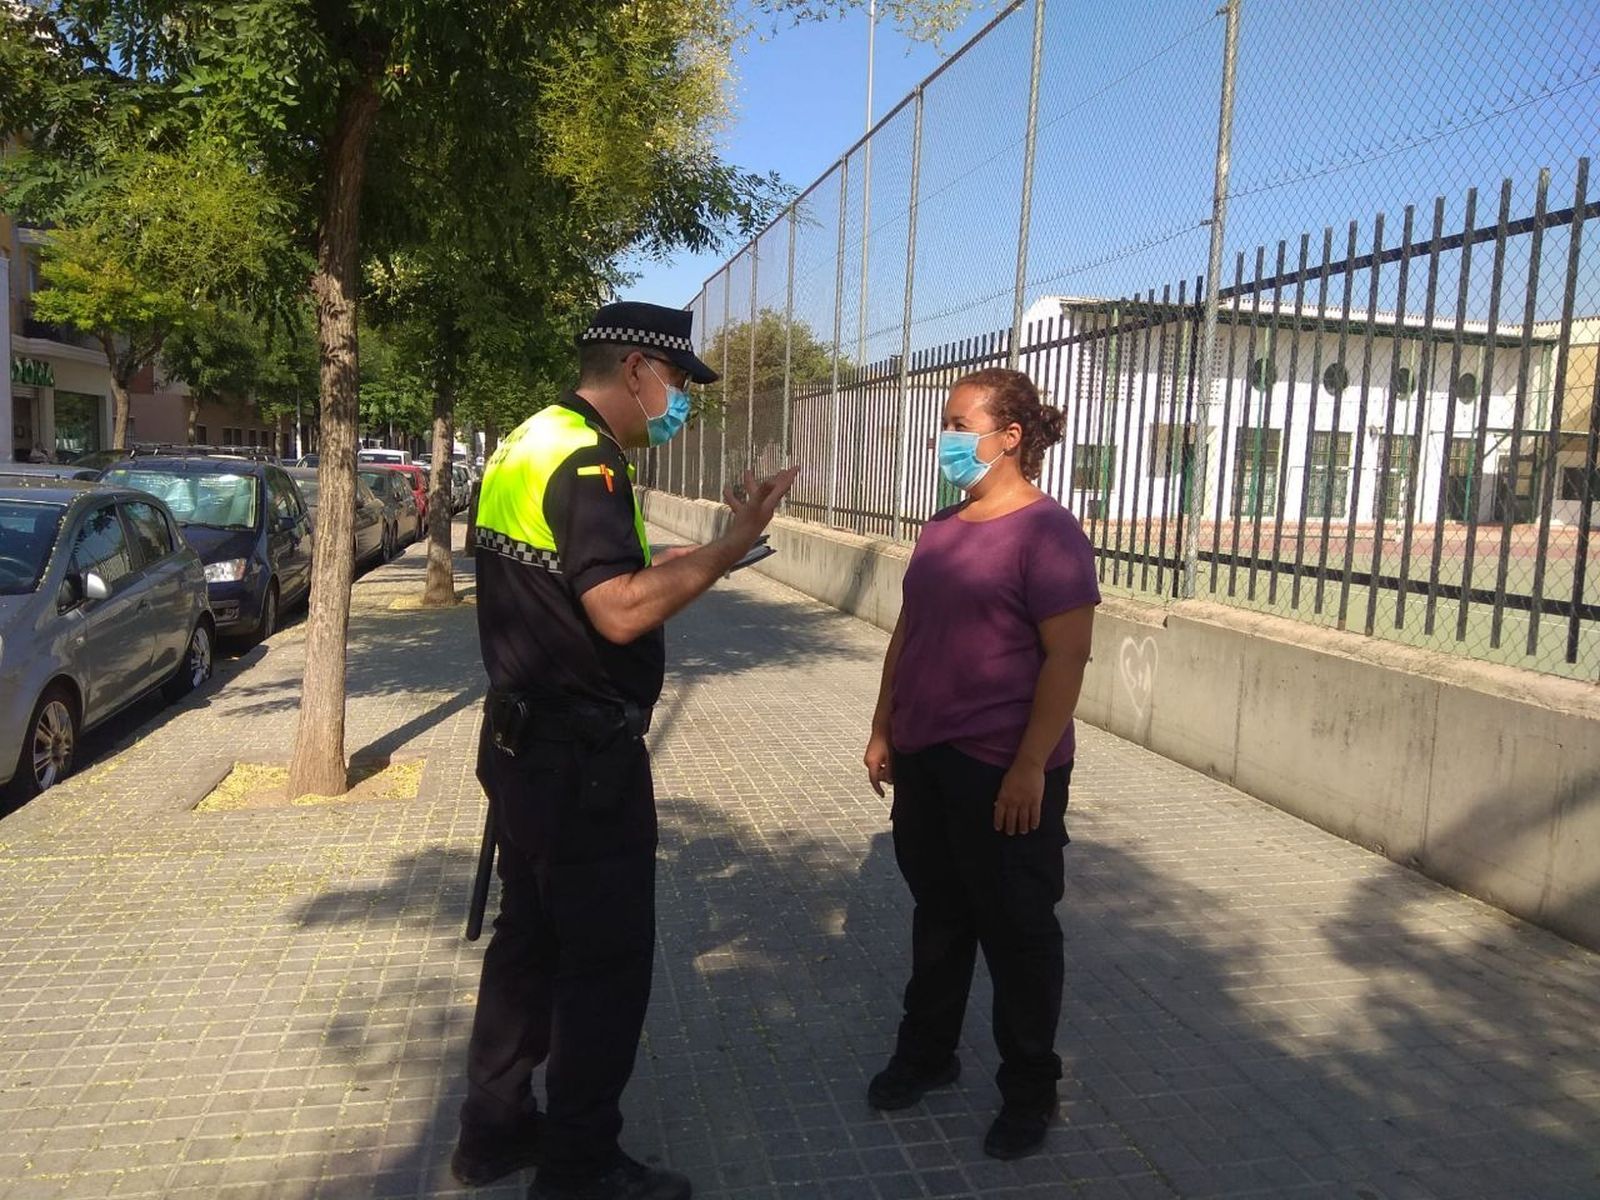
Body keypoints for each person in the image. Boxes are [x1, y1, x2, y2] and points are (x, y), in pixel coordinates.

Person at [454, 300, 799, 1200]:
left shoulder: (529, 438)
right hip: (580, 763)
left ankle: (491, 1132)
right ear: (639, 369)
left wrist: (702, 551)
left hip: (522, 749)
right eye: (679, 383)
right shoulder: (591, 459)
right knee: (603, 966)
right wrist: (725, 551)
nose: (679, 401)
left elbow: (575, 576)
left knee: (526, 943)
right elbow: (614, 608)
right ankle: (579, 1165)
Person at [862, 367, 1098, 1161]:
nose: (948, 438)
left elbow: (1067, 658)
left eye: (963, 424)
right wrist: (883, 725)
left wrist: (1031, 765)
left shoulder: (1048, 533)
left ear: (1009, 439)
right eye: (947, 423)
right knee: (940, 917)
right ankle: (927, 1055)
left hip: (1003, 770)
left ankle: (1029, 1090)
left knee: (1019, 934)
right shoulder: (942, 526)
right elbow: (910, 631)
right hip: (927, 758)